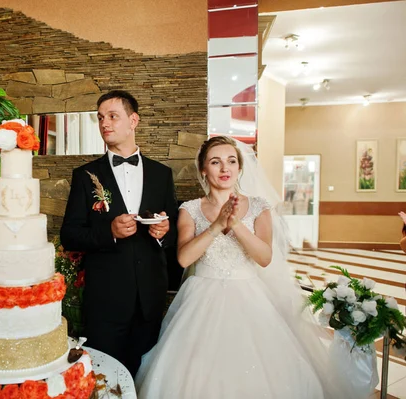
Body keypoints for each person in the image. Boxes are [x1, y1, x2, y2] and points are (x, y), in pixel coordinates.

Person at [135, 136, 345, 398]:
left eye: (231, 161)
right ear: (203, 169)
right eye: (215, 162)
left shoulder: (258, 206)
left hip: (249, 296)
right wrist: (215, 226)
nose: (225, 168)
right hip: (201, 298)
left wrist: (235, 224)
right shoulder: (190, 209)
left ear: (240, 168)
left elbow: (265, 257)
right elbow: (184, 259)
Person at [60, 90, 178, 376]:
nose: (104, 123)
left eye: (113, 116)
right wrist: (108, 232)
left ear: (133, 120)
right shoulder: (85, 175)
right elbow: (69, 235)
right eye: (100, 118)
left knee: (146, 373)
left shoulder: (162, 174)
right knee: (104, 375)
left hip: (149, 297)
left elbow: (173, 235)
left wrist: (163, 232)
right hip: (106, 299)